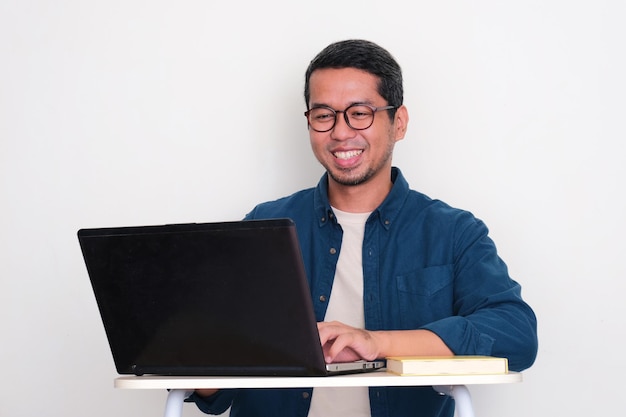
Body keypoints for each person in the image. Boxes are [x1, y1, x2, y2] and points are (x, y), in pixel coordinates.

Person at [187, 39, 538, 417]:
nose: (340, 132)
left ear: (398, 123)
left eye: (359, 113)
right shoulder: (264, 226)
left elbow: (515, 334)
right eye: (324, 115)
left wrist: (378, 343)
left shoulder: (453, 232)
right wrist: (194, 358)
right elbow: (215, 393)